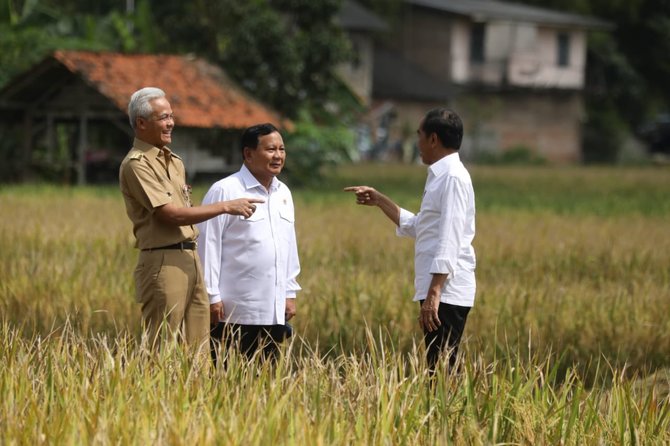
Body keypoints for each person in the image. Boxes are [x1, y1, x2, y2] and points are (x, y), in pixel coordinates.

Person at [119, 87, 264, 351]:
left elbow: (186, 209)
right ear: (141, 123)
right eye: (163, 117)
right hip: (164, 261)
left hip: (191, 258)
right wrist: (225, 206)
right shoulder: (136, 164)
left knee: (198, 346)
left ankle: (193, 392)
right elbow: (171, 214)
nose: (171, 123)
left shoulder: (175, 162)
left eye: (171, 116)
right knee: (161, 348)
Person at [345, 108, 476, 374]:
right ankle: (445, 413)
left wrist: (435, 292)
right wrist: (380, 200)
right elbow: (421, 227)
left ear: (433, 139)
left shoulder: (452, 178)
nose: (416, 143)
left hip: (446, 291)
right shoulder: (440, 176)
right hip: (440, 289)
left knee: (441, 370)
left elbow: (449, 237)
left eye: (419, 135)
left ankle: (447, 415)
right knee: (438, 366)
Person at [197, 123, 301, 362]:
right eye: (270, 149)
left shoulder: (283, 193)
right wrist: (211, 296)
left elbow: (288, 245)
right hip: (233, 310)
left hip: (273, 309)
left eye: (282, 149)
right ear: (248, 154)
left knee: (265, 382)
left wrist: (289, 291)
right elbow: (208, 245)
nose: (278, 156)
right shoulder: (224, 190)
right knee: (228, 378)